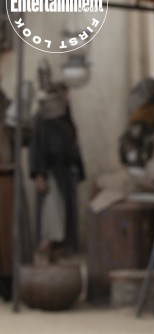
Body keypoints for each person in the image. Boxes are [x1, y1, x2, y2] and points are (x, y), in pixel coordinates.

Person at [30, 82, 85, 258]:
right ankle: (45, 254)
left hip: (66, 173)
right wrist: (39, 174)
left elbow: (73, 143)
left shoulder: (65, 115)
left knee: (66, 220)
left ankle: (62, 255)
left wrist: (79, 170)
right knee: (51, 219)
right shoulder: (42, 116)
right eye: (63, 94)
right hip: (51, 173)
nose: (66, 98)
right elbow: (37, 146)